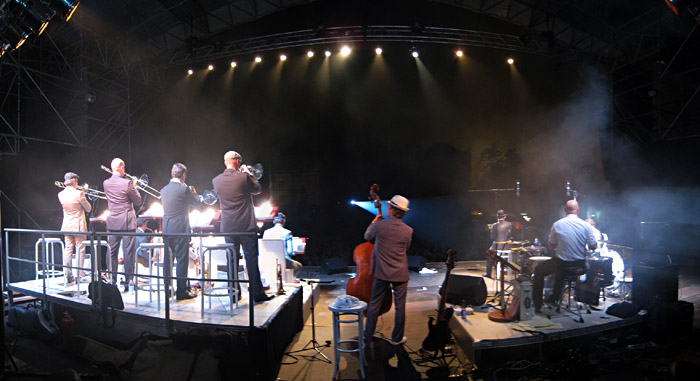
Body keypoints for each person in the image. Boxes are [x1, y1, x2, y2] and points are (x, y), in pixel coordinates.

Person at [212, 151, 272, 303]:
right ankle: (257, 295)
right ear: (238, 162)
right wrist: (249, 175)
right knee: (251, 260)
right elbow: (257, 189)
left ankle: (233, 294)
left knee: (231, 261)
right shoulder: (243, 177)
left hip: (228, 227)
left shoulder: (216, 180)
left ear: (225, 162)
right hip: (246, 226)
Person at [363, 195, 413, 346]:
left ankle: (368, 336)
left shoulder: (379, 226)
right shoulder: (408, 230)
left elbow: (367, 236)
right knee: (400, 307)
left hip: (382, 273)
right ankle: (397, 338)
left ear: (391, 209)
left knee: (374, 305)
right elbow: (406, 248)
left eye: (389, 206)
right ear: (402, 213)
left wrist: (375, 221)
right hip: (400, 273)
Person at [533, 200, 597, 312]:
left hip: (562, 264)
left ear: (565, 210)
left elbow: (551, 247)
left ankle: (538, 304)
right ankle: (555, 297)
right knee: (561, 269)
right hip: (580, 266)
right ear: (577, 210)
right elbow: (593, 246)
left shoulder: (557, 224)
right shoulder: (586, 225)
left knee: (539, 270)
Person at [161, 163, 201, 300]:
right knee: (181, 260)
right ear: (183, 175)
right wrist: (193, 192)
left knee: (167, 260)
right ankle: (181, 292)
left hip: (166, 228)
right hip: (180, 229)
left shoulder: (164, 190)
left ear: (173, 174)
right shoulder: (184, 190)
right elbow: (197, 203)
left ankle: (167, 289)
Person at [103, 158, 142, 290]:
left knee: (112, 252)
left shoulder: (106, 183)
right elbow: (138, 201)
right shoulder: (128, 183)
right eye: (123, 167)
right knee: (128, 252)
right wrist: (134, 186)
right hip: (127, 222)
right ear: (121, 167)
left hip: (112, 222)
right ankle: (129, 281)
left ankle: (112, 280)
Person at [58, 172, 92, 284]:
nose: (78, 183)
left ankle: (68, 275)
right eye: (77, 181)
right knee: (80, 249)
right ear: (74, 181)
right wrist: (83, 195)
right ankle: (78, 276)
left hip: (67, 226)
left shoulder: (61, 194)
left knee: (68, 249)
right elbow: (88, 209)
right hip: (78, 226)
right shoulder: (79, 194)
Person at [262, 213, 302, 278]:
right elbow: (289, 251)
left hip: (268, 260)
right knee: (298, 266)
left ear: (274, 221)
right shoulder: (287, 232)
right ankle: (287, 279)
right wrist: (294, 252)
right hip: (282, 260)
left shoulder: (266, 232)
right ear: (284, 221)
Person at [485, 209, 512, 278]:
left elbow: (493, 238)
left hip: (497, 247)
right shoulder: (509, 224)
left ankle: (488, 273)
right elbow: (510, 235)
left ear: (497, 217)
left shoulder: (494, 225)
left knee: (489, 254)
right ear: (505, 217)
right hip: (507, 247)